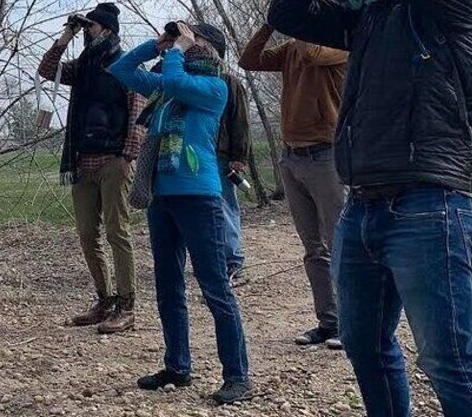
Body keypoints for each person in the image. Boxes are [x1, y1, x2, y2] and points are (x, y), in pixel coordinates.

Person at [268, 0, 472, 415]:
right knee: (365, 347)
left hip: (429, 202)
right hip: (362, 205)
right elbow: (288, 13)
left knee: (447, 360)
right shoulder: (371, 8)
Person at [109, 21, 252, 405]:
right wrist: (155, 47)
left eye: (193, 40)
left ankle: (237, 375)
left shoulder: (214, 87)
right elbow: (120, 70)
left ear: (209, 50)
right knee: (168, 285)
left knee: (215, 288)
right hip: (162, 197)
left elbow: (173, 81)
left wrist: (175, 52)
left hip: (199, 196)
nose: (184, 44)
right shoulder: (166, 90)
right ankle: (177, 365)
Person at [38, 2, 146, 334]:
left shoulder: (124, 63)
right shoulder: (84, 65)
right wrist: (66, 35)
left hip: (114, 158)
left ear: (108, 29)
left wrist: (128, 154)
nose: (88, 31)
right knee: (88, 234)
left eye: (91, 27)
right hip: (81, 160)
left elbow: (138, 108)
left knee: (117, 232)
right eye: (85, 27)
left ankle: (126, 306)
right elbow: (47, 69)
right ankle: (104, 299)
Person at [239, 23, 347, 347]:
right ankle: (329, 322)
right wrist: (270, 24)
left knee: (341, 242)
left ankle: (355, 322)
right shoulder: (290, 49)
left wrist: (298, 18)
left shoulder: (339, 43)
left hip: (327, 154)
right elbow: (249, 59)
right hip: (292, 156)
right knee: (314, 248)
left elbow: (314, 53)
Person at [215, 46, 252, 284]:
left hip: (223, 154)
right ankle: (216, 258)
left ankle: (233, 260)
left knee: (226, 206)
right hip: (203, 154)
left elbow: (241, 120)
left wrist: (240, 156)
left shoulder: (229, 82)